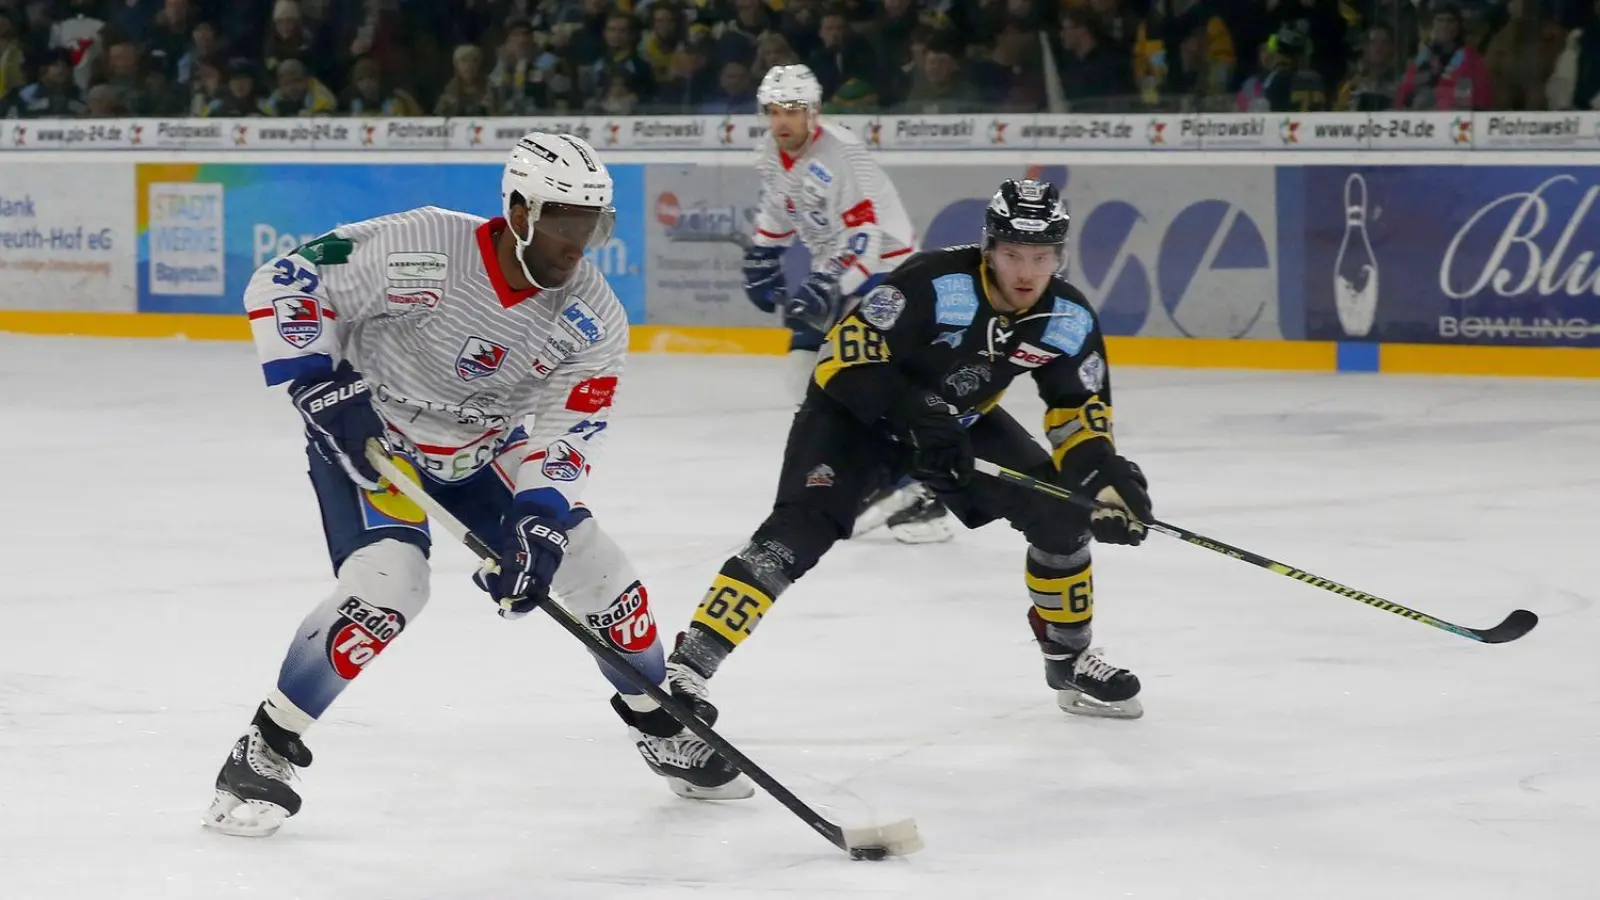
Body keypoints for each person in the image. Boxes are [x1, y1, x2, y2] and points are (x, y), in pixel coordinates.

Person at [205, 131, 750, 838]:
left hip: (480, 447)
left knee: (596, 568)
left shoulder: (593, 317)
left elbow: (568, 430)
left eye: (592, 227)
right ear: (520, 212)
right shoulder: (424, 244)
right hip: (375, 438)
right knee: (392, 582)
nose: (576, 244)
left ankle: (660, 722)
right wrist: (317, 379)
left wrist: (540, 518)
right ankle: (265, 748)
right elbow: (286, 278)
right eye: (562, 224)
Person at [661, 179, 1153, 739]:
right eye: (1013, 254)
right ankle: (690, 665)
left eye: (1040, 257)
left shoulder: (1068, 318)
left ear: (1058, 257)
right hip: (854, 418)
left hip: (957, 426)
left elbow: (1076, 413)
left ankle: (1067, 660)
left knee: (1062, 513)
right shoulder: (935, 282)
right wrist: (917, 413)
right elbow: (844, 357)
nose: (1025, 272)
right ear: (989, 248)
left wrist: (1104, 482)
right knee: (797, 532)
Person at [741, 62, 952, 544]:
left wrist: (831, 284)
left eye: (793, 110)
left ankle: (917, 486)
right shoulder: (770, 154)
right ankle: (862, 467)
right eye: (774, 110)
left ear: (814, 112)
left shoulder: (844, 154)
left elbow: (866, 234)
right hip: (836, 271)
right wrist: (763, 255)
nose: (782, 121)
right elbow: (779, 209)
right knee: (802, 374)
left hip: (886, 272)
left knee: (859, 380)